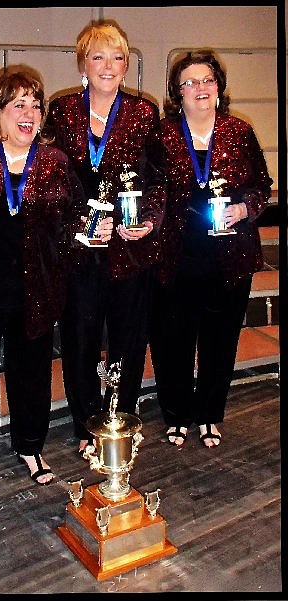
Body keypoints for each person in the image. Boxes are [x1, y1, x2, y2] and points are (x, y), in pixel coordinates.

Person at [0, 68, 93, 498]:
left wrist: (87, 233)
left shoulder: (54, 162)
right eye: (18, 105)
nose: (28, 113)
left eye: (35, 104)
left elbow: (72, 220)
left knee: (31, 373)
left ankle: (31, 447)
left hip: (33, 290)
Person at [43, 20, 166, 458]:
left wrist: (148, 221)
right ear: (83, 64)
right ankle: (84, 423)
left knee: (129, 338)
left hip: (129, 248)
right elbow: (50, 178)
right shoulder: (59, 111)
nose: (108, 65)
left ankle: (121, 418)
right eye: (98, 56)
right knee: (79, 337)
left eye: (117, 57)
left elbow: (156, 180)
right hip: (80, 249)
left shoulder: (142, 112)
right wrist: (80, 222)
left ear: (127, 64)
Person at [149, 50, 273, 448]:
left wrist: (243, 209)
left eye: (207, 80)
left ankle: (209, 416)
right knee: (174, 341)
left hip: (230, 256)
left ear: (218, 88)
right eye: (190, 82)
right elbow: (151, 190)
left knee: (221, 340)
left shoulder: (239, 131)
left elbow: (261, 186)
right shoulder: (164, 135)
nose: (199, 88)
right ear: (177, 93)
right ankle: (177, 415)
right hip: (176, 254)